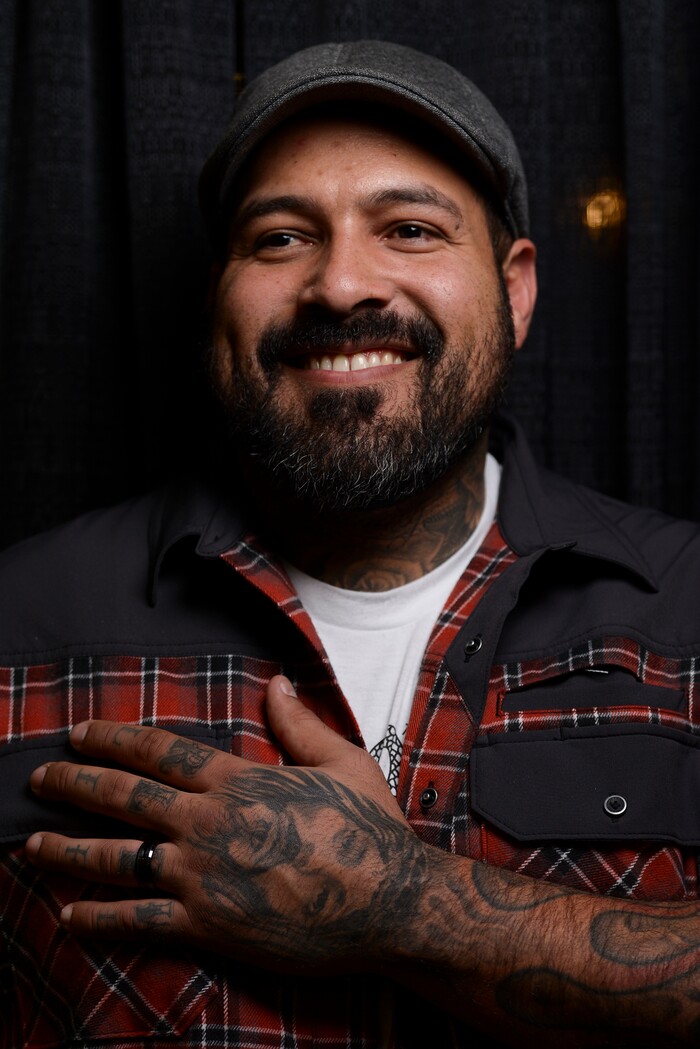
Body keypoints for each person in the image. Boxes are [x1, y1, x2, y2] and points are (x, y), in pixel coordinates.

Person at [2, 37, 700, 1049]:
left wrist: (402, 904)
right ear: (216, 299)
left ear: (512, 291)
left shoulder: (684, 605)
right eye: (280, 238)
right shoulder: (19, 624)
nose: (339, 284)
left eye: (409, 229)